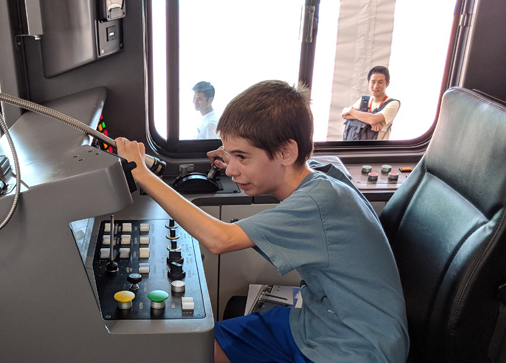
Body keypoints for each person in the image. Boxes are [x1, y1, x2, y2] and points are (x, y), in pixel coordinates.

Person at [115, 80, 409, 363]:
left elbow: (220, 239)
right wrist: (239, 157)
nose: (231, 169)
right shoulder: (319, 175)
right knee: (202, 346)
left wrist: (142, 174)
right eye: (230, 156)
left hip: (358, 348)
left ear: (286, 152)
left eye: (242, 157)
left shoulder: (318, 203)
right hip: (316, 324)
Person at [341, 66, 400, 140]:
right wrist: (368, 120)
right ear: (368, 83)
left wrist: (350, 111)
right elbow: (344, 115)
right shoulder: (364, 100)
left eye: (380, 82)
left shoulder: (393, 103)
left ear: (387, 84)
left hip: (376, 150)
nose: (376, 86)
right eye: (373, 82)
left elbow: (373, 119)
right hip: (354, 149)